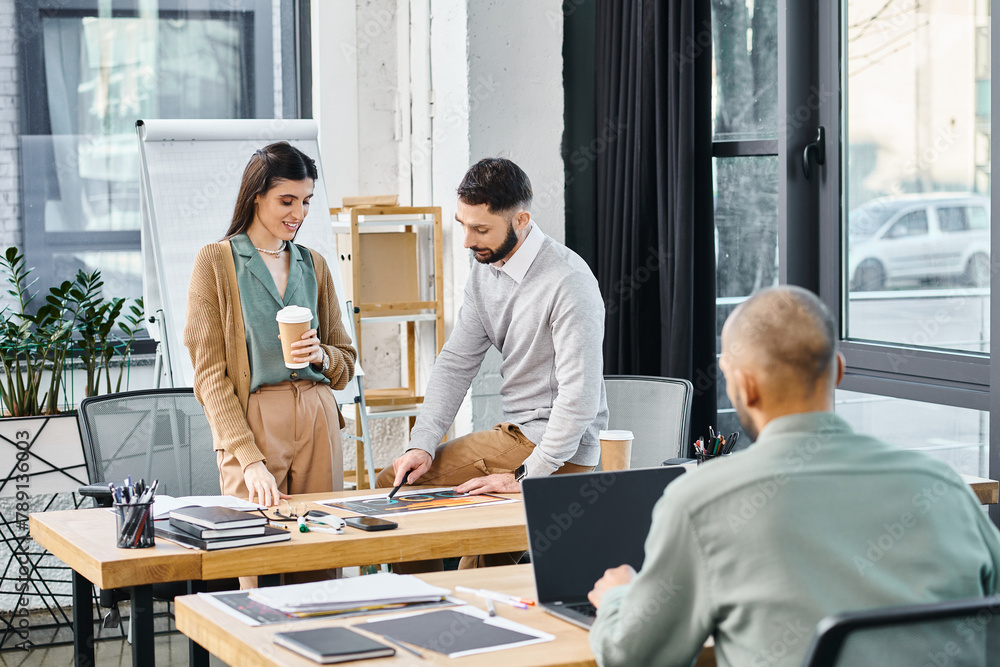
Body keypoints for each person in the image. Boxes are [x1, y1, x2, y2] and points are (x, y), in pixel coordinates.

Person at [588, 285, 1000, 667]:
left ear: (745, 387)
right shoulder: (945, 488)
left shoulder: (700, 502)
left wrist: (619, 597)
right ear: (837, 371)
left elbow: (632, 657)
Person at [375, 157, 609, 567]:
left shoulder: (568, 282)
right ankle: (436, 611)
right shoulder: (486, 271)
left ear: (521, 220)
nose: (466, 241)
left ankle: (419, 605)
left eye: (481, 229)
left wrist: (524, 478)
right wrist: (422, 443)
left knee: (398, 492)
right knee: (478, 564)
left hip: (554, 448)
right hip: (519, 437)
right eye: (463, 224)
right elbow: (456, 363)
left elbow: (580, 399)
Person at [185, 141, 356, 510]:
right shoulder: (215, 262)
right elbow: (209, 376)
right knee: (255, 548)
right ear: (256, 196)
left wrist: (322, 356)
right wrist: (249, 458)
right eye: (287, 200)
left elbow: (345, 364)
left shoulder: (314, 264)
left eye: (306, 200)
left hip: (317, 416)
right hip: (253, 421)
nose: (299, 212)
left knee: (321, 555)